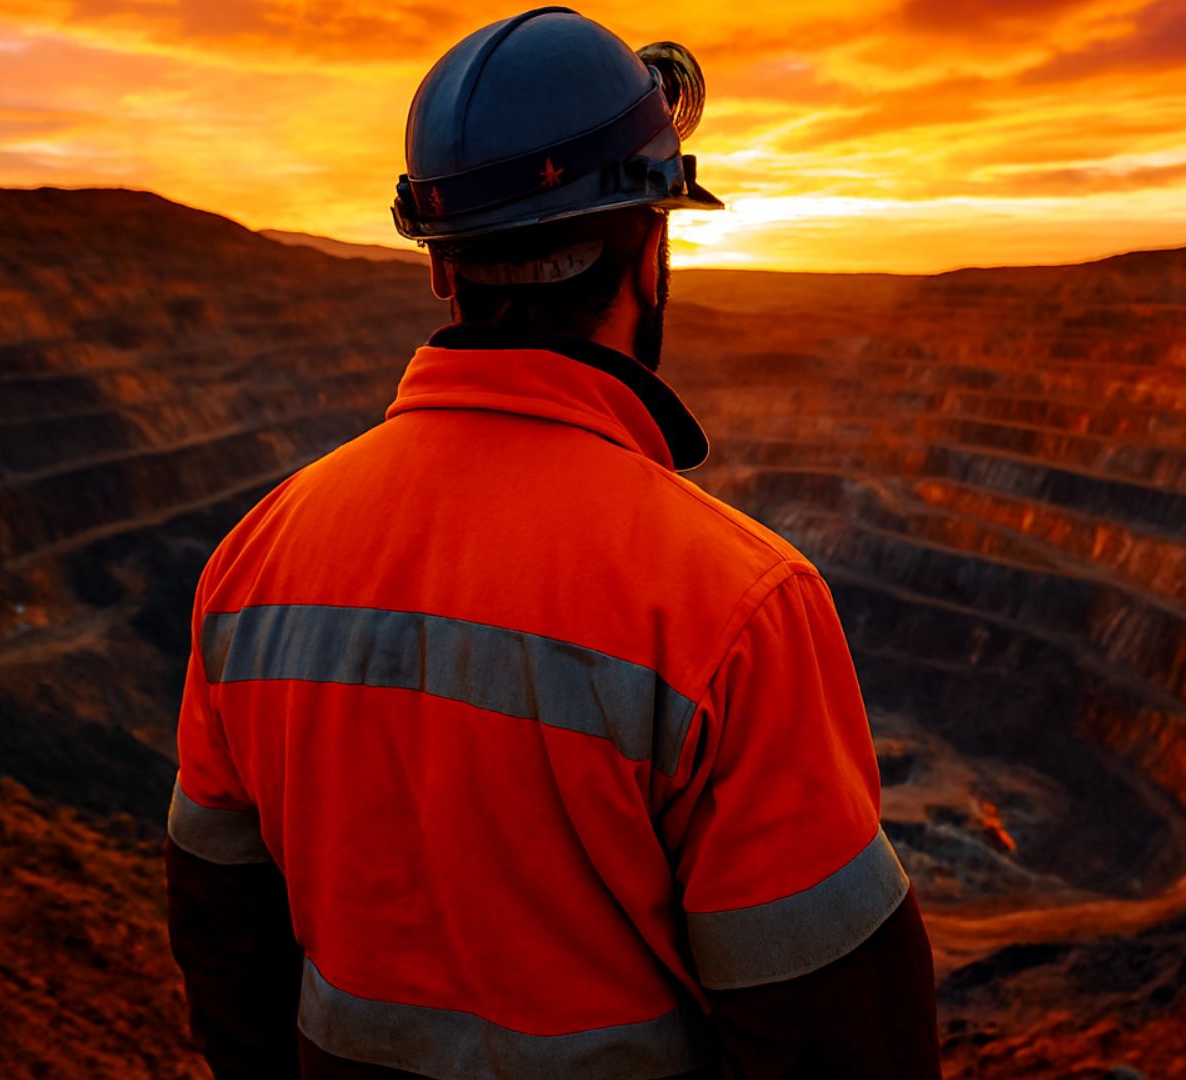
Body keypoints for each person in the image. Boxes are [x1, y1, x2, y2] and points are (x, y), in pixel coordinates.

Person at [162, 8, 941, 1079]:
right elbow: (847, 1046)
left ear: (442, 268)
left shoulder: (252, 564)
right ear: (651, 246)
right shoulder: (738, 609)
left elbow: (227, 961)